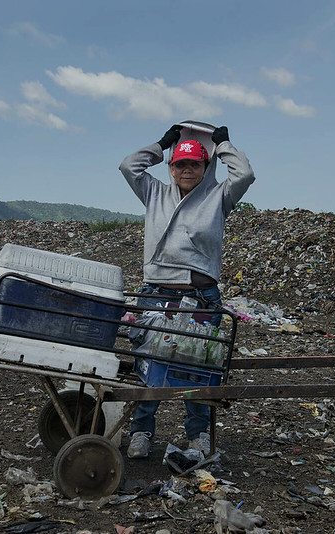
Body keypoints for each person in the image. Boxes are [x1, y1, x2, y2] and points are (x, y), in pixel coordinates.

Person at [119, 123, 255, 459]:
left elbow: (245, 174)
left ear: (206, 166)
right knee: (149, 366)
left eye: (194, 164)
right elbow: (129, 166)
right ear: (171, 167)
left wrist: (224, 144)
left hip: (201, 298)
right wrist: (163, 144)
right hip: (156, 294)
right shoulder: (154, 192)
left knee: (198, 368)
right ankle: (141, 432)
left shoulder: (218, 197)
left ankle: (198, 435)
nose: (187, 170)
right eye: (180, 164)